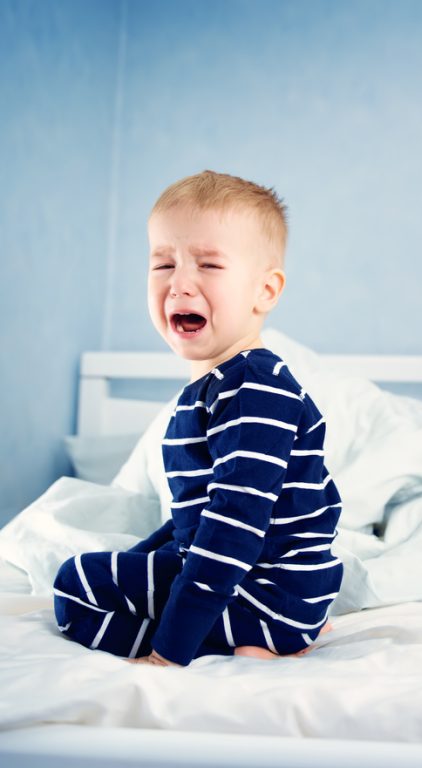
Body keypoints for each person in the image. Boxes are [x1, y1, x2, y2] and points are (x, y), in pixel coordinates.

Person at [53, 170, 344, 667]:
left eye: (209, 265)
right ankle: (260, 634)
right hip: (268, 589)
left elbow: (234, 522)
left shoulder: (255, 388)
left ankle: (251, 638)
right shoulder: (214, 390)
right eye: (163, 263)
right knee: (112, 575)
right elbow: (195, 519)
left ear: (265, 292)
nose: (180, 283)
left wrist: (170, 651)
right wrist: (142, 561)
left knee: (74, 588)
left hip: (262, 590)